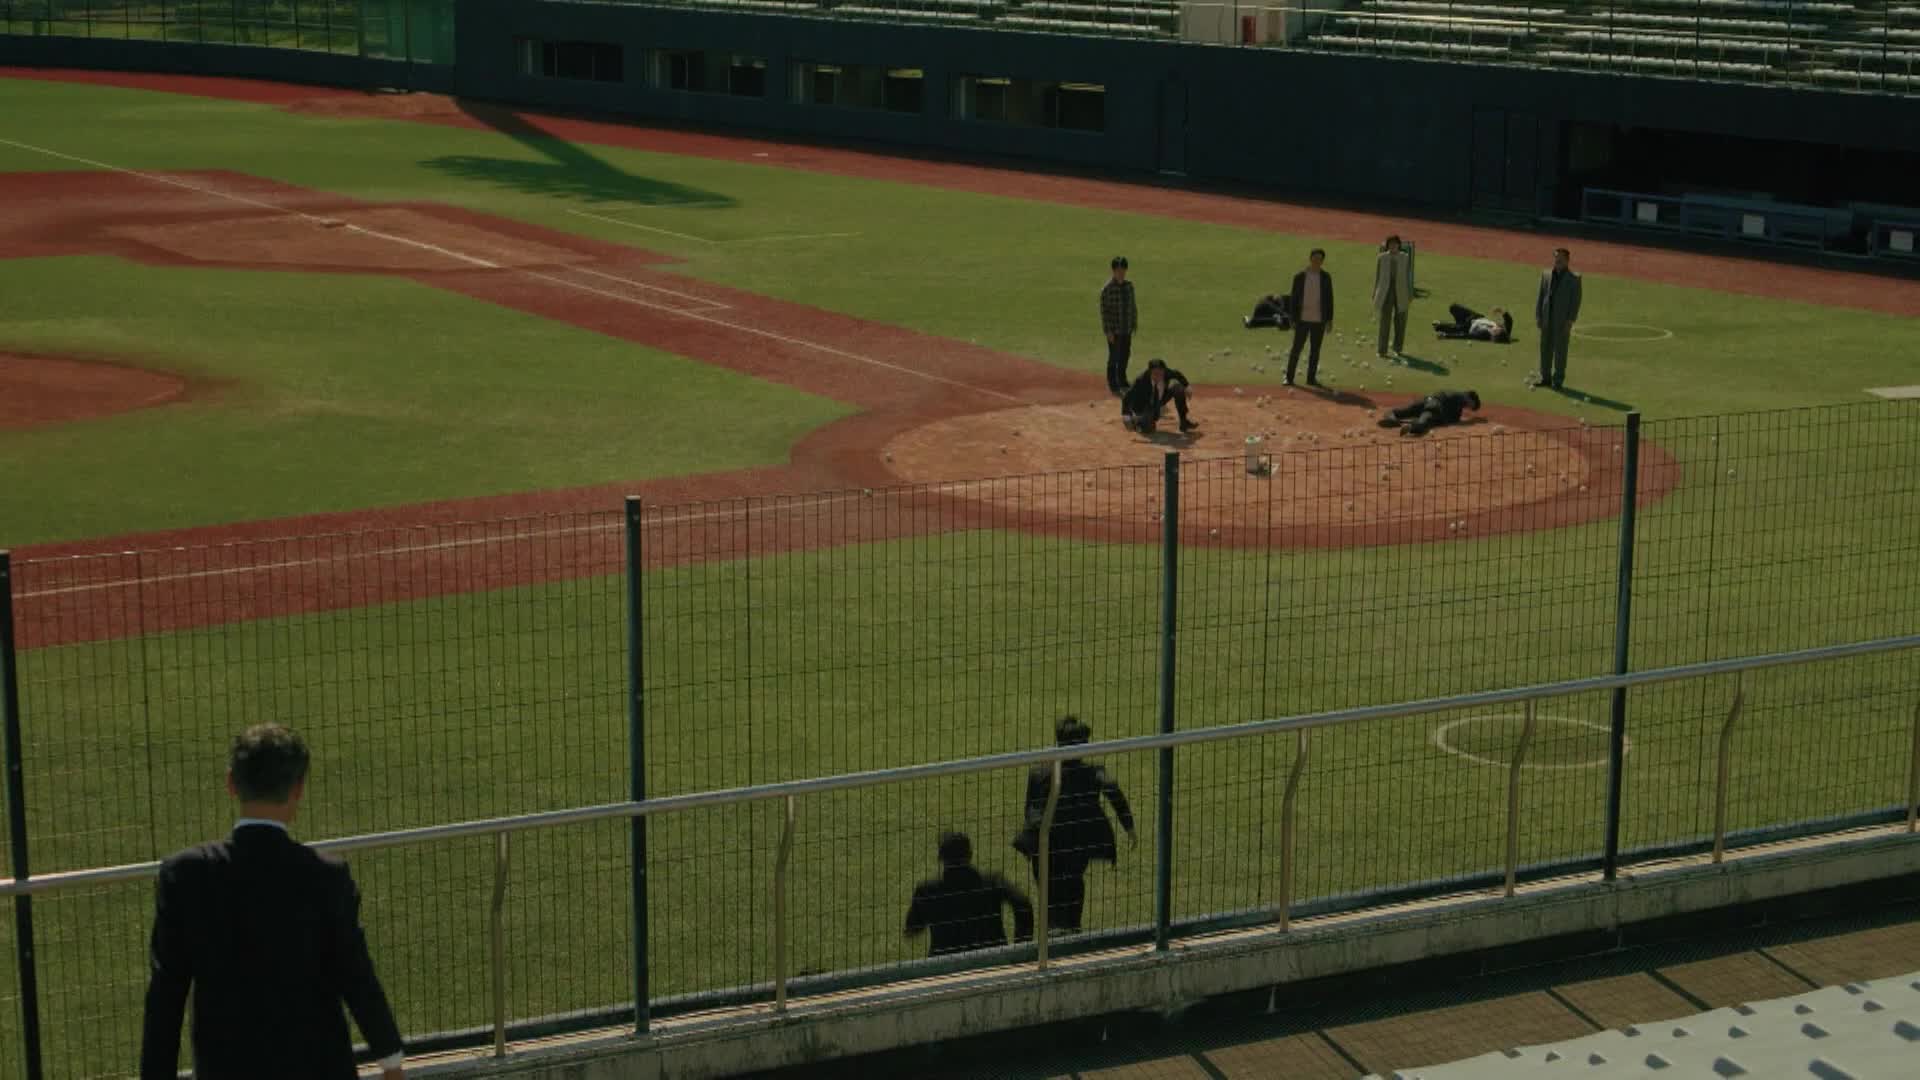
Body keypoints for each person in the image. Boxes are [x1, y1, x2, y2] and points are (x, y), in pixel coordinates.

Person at [141, 724, 404, 1080]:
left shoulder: (186, 875)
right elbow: (357, 976)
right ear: (298, 789)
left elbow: (166, 996)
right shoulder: (326, 877)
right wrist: (391, 1062)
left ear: (231, 783)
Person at [1012, 716, 1136, 933]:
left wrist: (1031, 837)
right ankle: (1072, 931)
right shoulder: (1093, 773)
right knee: (1074, 888)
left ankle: (1053, 935)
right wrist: (1129, 826)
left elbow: (1029, 808)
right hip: (1076, 846)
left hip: (1046, 845)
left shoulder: (1039, 772)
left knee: (1049, 896)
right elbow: (1113, 791)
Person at [904, 831, 1035, 958]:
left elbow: (913, 928)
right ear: (970, 854)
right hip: (993, 959)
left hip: (944, 964)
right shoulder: (992, 883)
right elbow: (1023, 904)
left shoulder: (927, 891)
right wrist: (1020, 946)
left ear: (941, 858)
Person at [1534, 247, 1582, 390]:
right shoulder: (1546, 274)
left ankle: (1558, 380)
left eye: (1560, 258)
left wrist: (1570, 320)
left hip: (1562, 321)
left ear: (1567, 260)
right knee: (1545, 348)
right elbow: (1541, 296)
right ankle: (1545, 378)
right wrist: (1538, 316)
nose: (1557, 261)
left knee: (1560, 351)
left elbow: (1575, 302)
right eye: (1556, 258)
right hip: (1546, 318)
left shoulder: (1574, 279)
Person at [1285, 248, 1334, 387]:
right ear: (1310, 258)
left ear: (1322, 261)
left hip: (1319, 320)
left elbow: (1329, 299)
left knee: (1315, 351)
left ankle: (1311, 379)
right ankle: (1289, 378)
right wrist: (1292, 319)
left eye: (1320, 259)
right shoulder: (1299, 277)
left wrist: (1329, 320)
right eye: (1315, 258)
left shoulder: (1326, 277)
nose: (1317, 261)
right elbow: (1293, 299)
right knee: (1296, 349)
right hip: (1302, 319)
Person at [1120, 358, 1197, 434]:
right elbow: (1127, 396)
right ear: (1150, 372)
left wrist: (1187, 386)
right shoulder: (1141, 380)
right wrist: (1126, 416)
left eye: (1161, 372)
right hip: (1143, 406)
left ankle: (1184, 421)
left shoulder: (1167, 373)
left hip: (1159, 401)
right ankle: (1137, 420)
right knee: (1148, 429)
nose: (1159, 375)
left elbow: (1177, 374)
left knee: (1178, 388)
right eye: (1155, 373)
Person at [1100, 255, 1138, 397]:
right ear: (1113, 271)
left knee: (1125, 355)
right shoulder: (1107, 289)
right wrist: (1108, 331)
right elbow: (1104, 312)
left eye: (1123, 270)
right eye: (1118, 270)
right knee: (1114, 357)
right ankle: (1113, 384)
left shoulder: (1129, 286)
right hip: (1114, 330)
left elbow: (1133, 306)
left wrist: (1134, 323)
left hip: (1126, 328)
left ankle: (1122, 380)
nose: (1121, 273)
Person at [1372, 235, 1414, 358]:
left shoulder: (1405, 257)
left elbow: (1409, 276)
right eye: (1390, 244)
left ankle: (1398, 348)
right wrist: (1375, 292)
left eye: (1395, 244)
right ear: (1387, 245)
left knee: (1401, 320)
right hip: (1386, 291)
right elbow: (1377, 276)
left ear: (1399, 245)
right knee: (1385, 321)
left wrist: (1410, 293)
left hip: (1401, 291)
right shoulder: (1382, 257)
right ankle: (1382, 350)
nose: (1393, 246)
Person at [1376, 389, 1482, 436]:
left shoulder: (1454, 394)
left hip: (1427, 400)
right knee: (1425, 422)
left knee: (1406, 411)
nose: (1469, 407)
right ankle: (1412, 426)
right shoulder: (1462, 398)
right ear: (1470, 398)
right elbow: (1452, 419)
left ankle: (1391, 415)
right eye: (1471, 405)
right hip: (1434, 406)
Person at [1434, 304, 1514, 343]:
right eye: (1496, 330)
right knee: (1453, 307)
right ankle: (1457, 324)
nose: (1493, 330)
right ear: (1500, 330)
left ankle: (1448, 326)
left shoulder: (1484, 335)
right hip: (1476, 317)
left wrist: (1446, 336)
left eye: (1493, 333)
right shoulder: (1505, 330)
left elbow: (1466, 336)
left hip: (1467, 327)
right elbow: (1509, 320)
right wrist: (1500, 310)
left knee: (1439, 327)